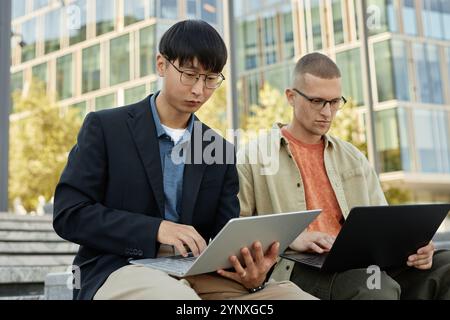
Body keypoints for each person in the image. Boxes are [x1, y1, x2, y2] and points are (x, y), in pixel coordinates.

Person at [53, 20, 314, 300]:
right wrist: (156, 229)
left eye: (210, 78)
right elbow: (70, 214)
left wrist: (252, 271)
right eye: (189, 74)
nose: (199, 90)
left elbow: (227, 232)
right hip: (120, 268)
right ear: (162, 65)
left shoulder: (220, 150)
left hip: (197, 273)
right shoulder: (105, 128)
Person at [237, 52, 450, 300]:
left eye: (335, 102)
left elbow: (383, 222)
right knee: (374, 288)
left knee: (445, 265)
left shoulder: (353, 157)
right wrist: (292, 236)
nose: (327, 112)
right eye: (317, 101)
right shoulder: (254, 156)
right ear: (291, 97)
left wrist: (416, 248)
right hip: (298, 268)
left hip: (364, 261)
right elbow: (234, 231)